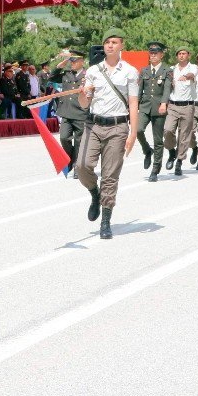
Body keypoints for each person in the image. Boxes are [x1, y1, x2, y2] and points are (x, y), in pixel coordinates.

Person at [78, 33, 139, 240]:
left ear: (122, 45)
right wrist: (82, 93)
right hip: (94, 124)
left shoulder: (130, 72)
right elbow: (85, 104)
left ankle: (106, 221)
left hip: (118, 127)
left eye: (114, 42)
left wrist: (133, 133)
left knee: (110, 176)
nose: (110, 45)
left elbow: (133, 103)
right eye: (106, 42)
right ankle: (94, 193)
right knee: (82, 166)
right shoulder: (94, 71)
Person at [50, 50, 88, 179]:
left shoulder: (87, 75)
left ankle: (77, 166)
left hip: (80, 112)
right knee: (64, 138)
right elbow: (51, 76)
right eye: (70, 61)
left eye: (74, 61)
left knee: (79, 142)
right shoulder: (66, 74)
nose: (72, 64)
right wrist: (64, 61)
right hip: (66, 111)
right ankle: (70, 159)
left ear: (81, 61)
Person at [136, 42, 171, 181]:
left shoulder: (166, 70)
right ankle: (147, 151)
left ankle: (155, 169)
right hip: (145, 106)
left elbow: (167, 88)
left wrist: (164, 103)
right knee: (138, 130)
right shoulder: (144, 70)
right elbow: (140, 90)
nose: (153, 55)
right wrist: (135, 106)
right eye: (151, 53)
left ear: (161, 55)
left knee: (158, 140)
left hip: (159, 107)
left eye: (156, 53)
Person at [163, 47, 197, 176]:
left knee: (184, 135)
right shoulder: (172, 69)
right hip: (173, 105)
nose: (182, 56)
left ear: (188, 55)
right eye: (179, 54)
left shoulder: (193, 68)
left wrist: (186, 76)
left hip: (187, 106)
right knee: (168, 130)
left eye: (184, 54)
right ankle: (172, 152)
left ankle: (179, 162)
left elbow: (192, 75)